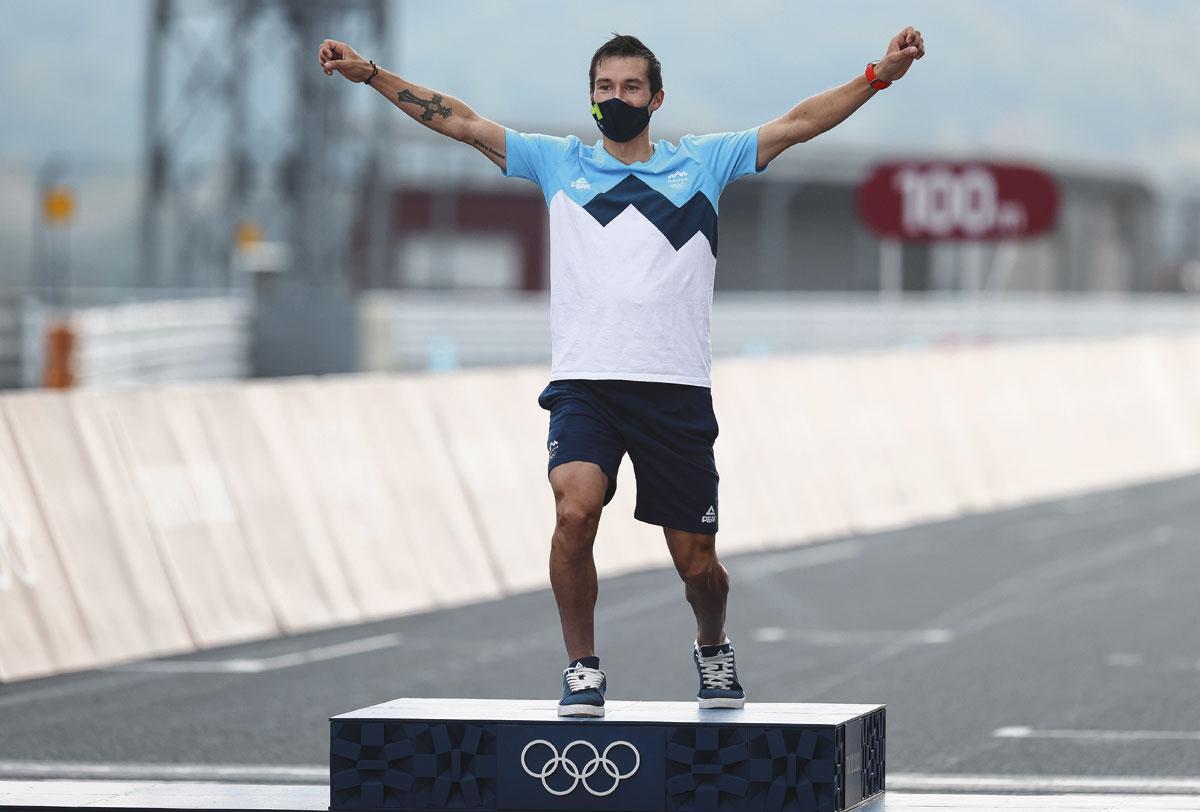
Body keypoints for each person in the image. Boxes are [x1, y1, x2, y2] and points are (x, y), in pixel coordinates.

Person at [319, 27, 926, 717]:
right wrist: (371, 75)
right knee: (574, 511)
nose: (617, 98)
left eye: (630, 87)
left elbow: (798, 123)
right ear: (591, 98)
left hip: (675, 394)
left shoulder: (703, 164)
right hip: (587, 387)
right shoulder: (558, 164)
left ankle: (712, 643)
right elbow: (458, 120)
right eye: (604, 88)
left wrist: (879, 75)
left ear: (656, 97)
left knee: (698, 565)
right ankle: (582, 668)